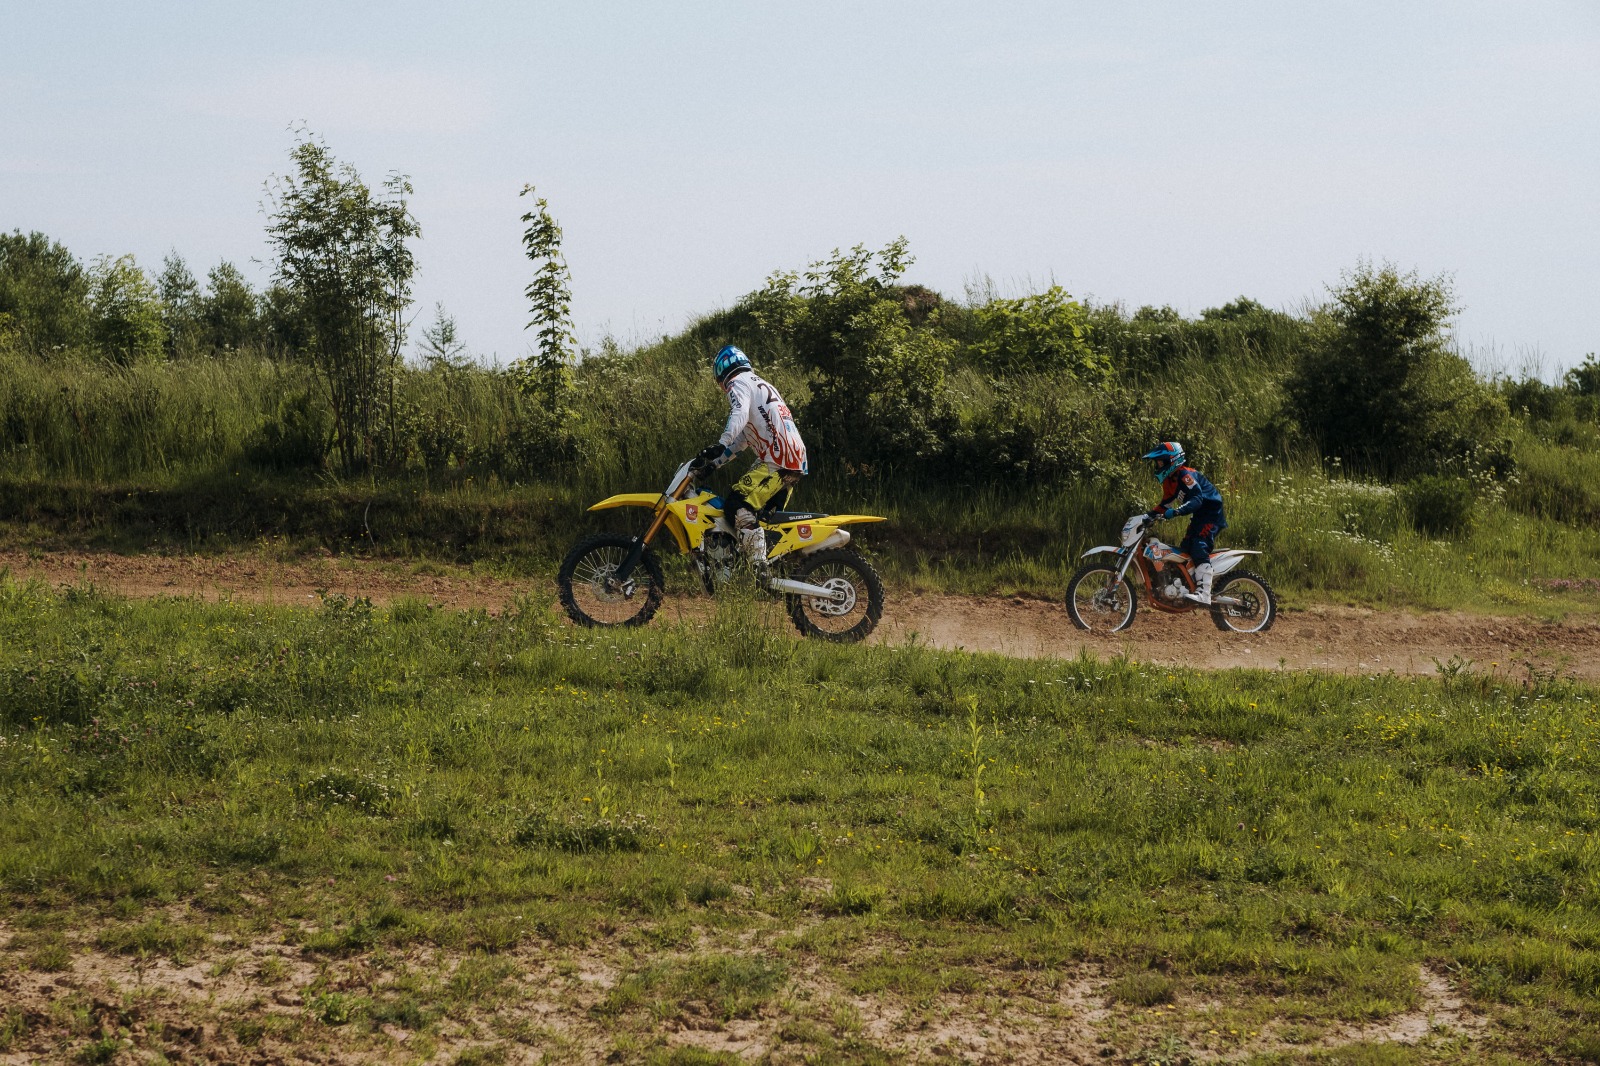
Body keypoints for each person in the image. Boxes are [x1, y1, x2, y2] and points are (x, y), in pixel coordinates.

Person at [690, 345, 809, 577]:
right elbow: (743, 441)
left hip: (777, 458)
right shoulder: (759, 383)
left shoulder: (737, 383)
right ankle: (772, 571)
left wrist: (722, 442)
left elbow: (739, 412)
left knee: (736, 504)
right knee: (762, 520)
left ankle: (758, 568)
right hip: (793, 458)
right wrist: (715, 463)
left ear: (722, 372)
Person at [1142, 441, 1226, 605]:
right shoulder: (1170, 480)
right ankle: (1187, 587)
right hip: (1200, 516)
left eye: (1161, 462)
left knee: (1199, 545)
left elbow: (1197, 499)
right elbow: (1165, 504)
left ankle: (1204, 593)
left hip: (1211, 514)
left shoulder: (1185, 475)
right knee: (1186, 548)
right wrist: (1147, 516)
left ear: (1172, 460)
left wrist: (1177, 511)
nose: (1158, 466)